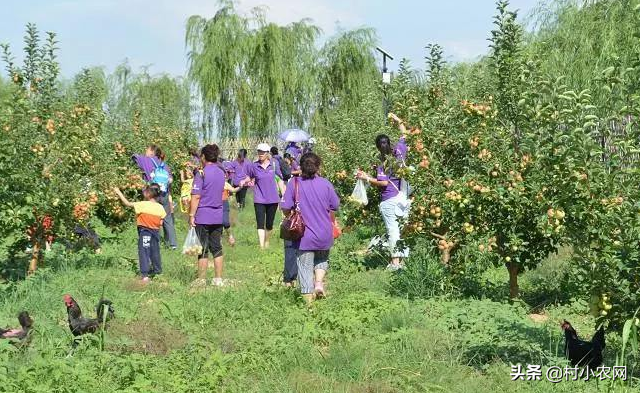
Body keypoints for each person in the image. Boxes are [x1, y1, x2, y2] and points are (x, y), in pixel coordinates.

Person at [281, 152, 340, 304]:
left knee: (305, 266)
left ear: (300, 166)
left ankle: (309, 306)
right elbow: (335, 206)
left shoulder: (294, 183)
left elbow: (286, 207)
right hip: (324, 233)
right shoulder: (326, 184)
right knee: (321, 258)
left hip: (305, 235)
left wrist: (293, 212)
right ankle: (319, 284)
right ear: (318, 166)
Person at [356, 134, 409, 271]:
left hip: (389, 199)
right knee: (400, 229)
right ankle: (400, 261)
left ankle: (395, 263)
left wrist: (366, 178)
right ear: (390, 143)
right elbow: (405, 136)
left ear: (378, 147)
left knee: (393, 230)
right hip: (402, 197)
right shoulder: (399, 151)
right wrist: (398, 121)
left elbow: (384, 182)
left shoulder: (382, 160)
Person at [113, 184, 166, 283]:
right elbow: (161, 223)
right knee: (155, 252)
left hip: (145, 232)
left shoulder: (142, 204)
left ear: (149, 194)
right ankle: (158, 272)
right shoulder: (161, 208)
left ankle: (145, 275)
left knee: (144, 252)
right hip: (155, 233)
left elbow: (127, 203)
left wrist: (118, 192)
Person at [190, 144, 226, 287]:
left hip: (203, 215)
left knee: (203, 249)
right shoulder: (221, 172)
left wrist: (192, 215)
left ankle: (202, 280)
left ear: (204, 157)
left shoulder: (201, 173)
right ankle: (218, 279)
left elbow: (196, 197)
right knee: (217, 248)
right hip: (218, 215)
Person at [240, 143, 286, 250]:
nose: (260, 154)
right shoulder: (254, 166)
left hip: (273, 199)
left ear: (267, 153)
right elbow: (249, 177)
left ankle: (267, 241)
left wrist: (283, 195)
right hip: (259, 198)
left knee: (269, 224)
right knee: (260, 223)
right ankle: (261, 247)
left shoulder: (274, 165)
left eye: (262, 152)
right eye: (259, 152)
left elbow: (279, 180)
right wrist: (244, 181)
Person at [132, 145, 178, 250]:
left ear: (152, 152)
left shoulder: (146, 160)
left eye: (147, 150)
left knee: (150, 216)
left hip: (152, 194)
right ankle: (172, 244)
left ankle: (151, 241)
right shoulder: (165, 165)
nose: (145, 152)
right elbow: (169, 181)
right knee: (167, 218)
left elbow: (134, 157)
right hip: (164, 194)